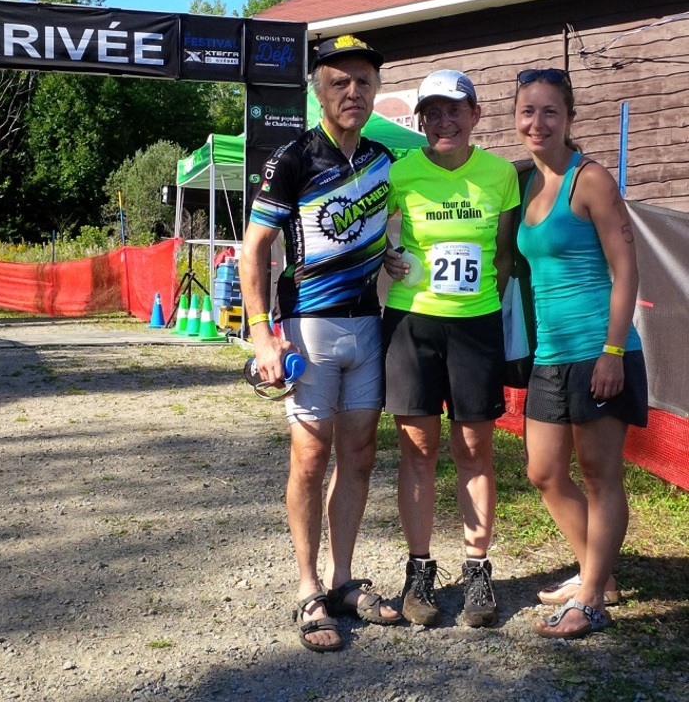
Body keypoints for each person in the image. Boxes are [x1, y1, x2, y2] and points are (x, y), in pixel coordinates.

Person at [239, 34, 401, 653]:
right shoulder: (294, 158)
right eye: (339, 82)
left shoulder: (386, 159)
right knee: (310, 459)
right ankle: (308, 588)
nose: (353, 92)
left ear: (376, 88)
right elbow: (253, 249)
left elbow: (380, 231)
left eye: (363, 81)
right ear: (319, 90)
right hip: (308, 327)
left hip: (367, 325)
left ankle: (342, 581)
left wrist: (391, 254)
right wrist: (261, 337)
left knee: (359, 455)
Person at [513, 68, 648, 639]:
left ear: (569, 118)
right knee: (543, 473)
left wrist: (613, 350)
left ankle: (590, 596)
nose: (537, 122)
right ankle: (601, 572)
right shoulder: (527, 184)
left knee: (599, 475)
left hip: (602, 349)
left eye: (550, 111)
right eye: (527, 111)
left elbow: (627, 269)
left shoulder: (588, 179)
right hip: (551, 355)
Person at [382, 70, 519, 628]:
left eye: (454, 110)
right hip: (413, 325)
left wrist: (487, 304)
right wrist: (387, 259)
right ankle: (419, 570)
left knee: (473, 449)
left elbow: (507, 253)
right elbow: (371, 236)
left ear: (475, 116)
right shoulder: (400, 173)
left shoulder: (501, 173)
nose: (444, 121)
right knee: (417, 450)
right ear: (421, 120)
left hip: (474, 326)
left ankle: (478, 567)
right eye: (432, 112)